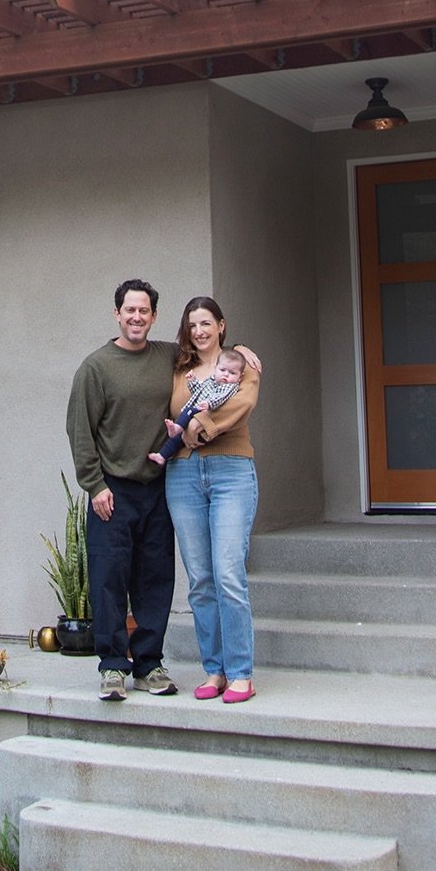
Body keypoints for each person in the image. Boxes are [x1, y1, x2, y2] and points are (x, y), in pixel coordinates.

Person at [66, 278, 181, 701]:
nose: (137, 317)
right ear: (117, 314)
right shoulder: (96, 367)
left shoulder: (169, 356)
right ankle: (113, 665)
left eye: (144, 311)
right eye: (129, 310)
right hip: (111, 491)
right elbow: (80, 431)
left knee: (155, 580)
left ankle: (149, 664)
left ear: (153, 316)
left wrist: (242, 352)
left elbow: (212, 353)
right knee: (109, 579)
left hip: (156, 490)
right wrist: (94, 485)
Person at [164, 295, 261, 704]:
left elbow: (242, 405)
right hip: (183, 476)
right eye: (192, 325)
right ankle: (214, 669)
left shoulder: (241, 365)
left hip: (230, 472)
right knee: (201, 579)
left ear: (221, 325)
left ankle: (241, 673)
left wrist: (196, 429)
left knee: (228, 574)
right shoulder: (178, 368)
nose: (199, 331)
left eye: (207, 323)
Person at [148, 347, 246, 465]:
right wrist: (193, 381)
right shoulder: (212, 381)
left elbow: (222, 398)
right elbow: (199, 392)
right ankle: (162, 456)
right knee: (178, 438)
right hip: (199, 418)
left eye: (232, 373)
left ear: (240, 377)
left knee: (188, 412)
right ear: (216, 368)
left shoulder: (230, 386)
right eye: (222, 370)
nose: (226, 375)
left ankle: (177, 427)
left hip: (207, 422)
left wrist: (210, 404)